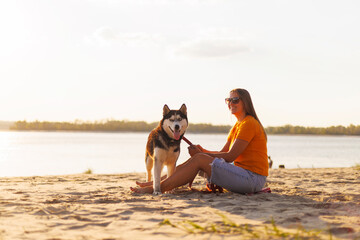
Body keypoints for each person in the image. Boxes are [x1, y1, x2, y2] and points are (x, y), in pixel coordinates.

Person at [131, 88, 268, 194]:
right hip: (243, 175)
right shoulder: (238, 125)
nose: (231, 103)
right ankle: (155, 183)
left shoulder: (249, 123)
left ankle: (156, 188)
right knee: (196, 159)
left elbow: (230, 156)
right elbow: (223, 153)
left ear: (245, 102)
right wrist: (201, 151)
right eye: (228, 100)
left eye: (235, 100)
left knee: (198, 159)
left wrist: (200, 155)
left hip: (252, 179)